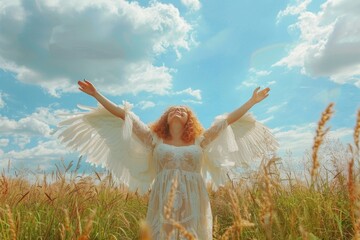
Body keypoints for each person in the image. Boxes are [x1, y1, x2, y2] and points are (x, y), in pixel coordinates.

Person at [57, 80, 278, 239]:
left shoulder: (200, 141)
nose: (178, 111)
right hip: (164, 196)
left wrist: (252, 101)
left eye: (182, 110)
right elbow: (124, 116)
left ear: (189, 119)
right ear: (166, 118)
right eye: (173, 110)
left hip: (194, 196)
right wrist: (97, 95)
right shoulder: (154, 141)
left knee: (191, 234)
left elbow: (228, 120)